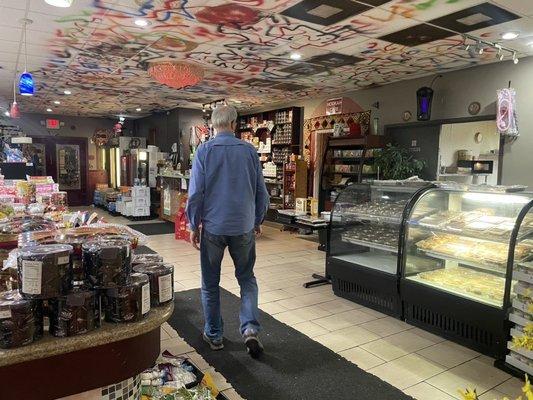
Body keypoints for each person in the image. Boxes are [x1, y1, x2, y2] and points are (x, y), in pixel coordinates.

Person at [186, 105, 270, 358]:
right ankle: (250, 330)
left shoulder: (204, 150)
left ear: (213, 125)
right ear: (234, 124)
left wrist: (193, 224)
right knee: (247, 279)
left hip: (213, 227)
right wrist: (257, 220)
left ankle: (214, 335)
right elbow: (261, 193)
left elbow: (196, 194)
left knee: (210, 284)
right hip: (243, 226)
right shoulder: (249, 151)